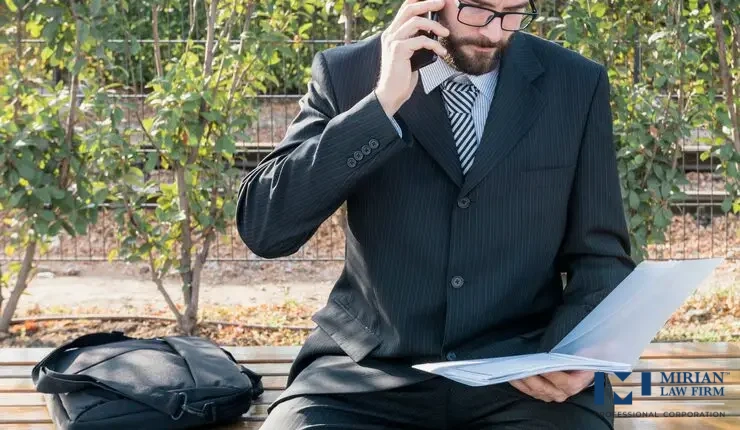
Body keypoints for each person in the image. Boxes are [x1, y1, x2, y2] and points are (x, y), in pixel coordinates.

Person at [236, 0, 636, 428]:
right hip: (365, 373)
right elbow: (266, 228)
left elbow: (601, 257)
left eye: (514, 11)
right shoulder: (346, 72)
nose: (495, 32)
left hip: (524, 375)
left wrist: (571, 350)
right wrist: (379, 105)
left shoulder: (575, 83)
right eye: (479, 9)